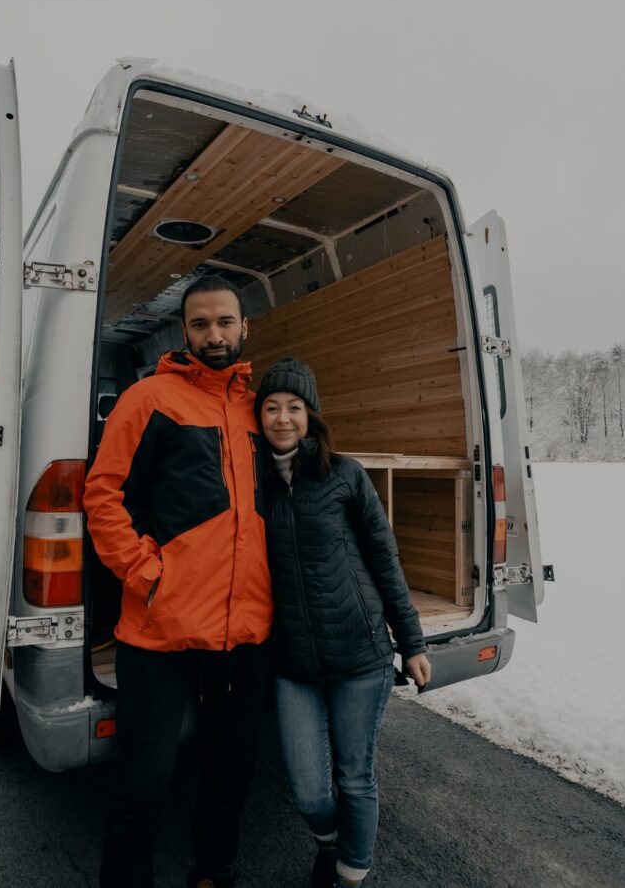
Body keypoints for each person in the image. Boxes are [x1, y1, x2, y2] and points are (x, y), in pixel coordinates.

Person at [84, 276, 273, 888]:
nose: (213, 335)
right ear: (183, 332)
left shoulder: (258, 409)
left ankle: (213, 874)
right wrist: (146, 574)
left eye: (224, 322)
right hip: (160, 633)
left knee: (231, 771)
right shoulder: (149, 398)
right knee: (144, 780)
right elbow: (102, 493)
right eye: (200, 324)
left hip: (243, 637)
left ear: (244, 328)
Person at [255, 357, 431, 888]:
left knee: (355, 778)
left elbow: (384, 559)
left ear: (311, 416)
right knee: (309, 790)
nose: (283, 418)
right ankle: (328, 845)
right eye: (271, 407)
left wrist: (413, 642)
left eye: (294, 408)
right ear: (258, 416)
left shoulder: (345, 475)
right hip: (293, 662)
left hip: (360, 654)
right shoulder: (248, 482)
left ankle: (351, 874)